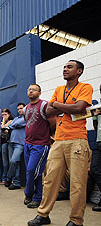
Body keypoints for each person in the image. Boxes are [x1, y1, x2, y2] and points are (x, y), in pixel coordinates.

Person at [28, 60, 93, 226]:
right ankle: (43, 215)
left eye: (69, 67)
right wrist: (65, 106)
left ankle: (76, 220)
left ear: (79, 71)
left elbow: (79, 108)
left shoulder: (85, 87)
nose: (65, 69)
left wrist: (57, 104)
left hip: (77, 140)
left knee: (77, 182)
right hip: (58, 140)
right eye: (64, 67)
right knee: (50, 180)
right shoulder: (59, 89)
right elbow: (48, 111)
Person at [23, 84, 55, 209]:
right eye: (29, 89)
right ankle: (32, 195)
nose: (30, 91)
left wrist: (48, 136)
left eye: (33, 89)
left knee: (33, 171)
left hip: (41, 144)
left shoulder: (44, 105)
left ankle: (35, 196)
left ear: (39, 92)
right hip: (28, 143)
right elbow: (28, 123)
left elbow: (53, 123)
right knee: (31, 171)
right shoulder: (26, 108)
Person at [5, 103, 26, 190]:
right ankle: (16, 182)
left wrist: (12, 126)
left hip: (20, 143)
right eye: (18, 109)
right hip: (11, 142)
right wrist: (11, 126)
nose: (19, 110)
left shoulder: (26, 117)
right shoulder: (16, 118)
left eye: (21, 108)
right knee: (13, 163)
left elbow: (14, 125)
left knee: (14, 161)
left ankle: (8, 177)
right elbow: (8, 126)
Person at [0, 108, 13, 184]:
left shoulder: (11, 121)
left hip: (5, 142)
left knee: (4, 161)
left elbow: (3, 127)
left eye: (5, 114)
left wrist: (4, 121)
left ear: (9, 115)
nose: (3, 116)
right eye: (2, 114)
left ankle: (4, 178)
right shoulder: (0, 121)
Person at [90, 84, 101, 212]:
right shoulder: (98, 106)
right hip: (99, 141)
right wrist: (96, 114)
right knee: (94, 169)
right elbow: (95, 126)